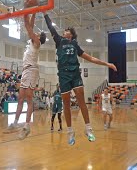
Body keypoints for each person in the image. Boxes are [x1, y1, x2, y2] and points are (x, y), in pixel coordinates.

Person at [43, 11, 117, 145]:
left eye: (66, 31)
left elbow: (91, 58)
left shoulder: (75, 45)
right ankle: (70, 131)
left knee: (81, 99)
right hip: (64, 75)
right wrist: (44, 13)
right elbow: (51, 27)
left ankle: (88, 129)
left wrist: (107, 64)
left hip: (75, 73)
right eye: (64, 31)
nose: (64, 32)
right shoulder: (59, 41)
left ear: (70, 34)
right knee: (66, 104)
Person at [7, 12, 46, 140]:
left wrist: (26, 14)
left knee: (29, 98)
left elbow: (29, 27)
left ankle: (27, 126)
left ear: (39, 38)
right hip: (25, 71)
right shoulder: (31, 42)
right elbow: (31, 27)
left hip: (32, 70)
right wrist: (33, 14)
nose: (36, 34)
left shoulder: (37, 43)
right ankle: (15, 121)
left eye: (38, 34)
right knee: (20, 98)